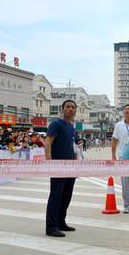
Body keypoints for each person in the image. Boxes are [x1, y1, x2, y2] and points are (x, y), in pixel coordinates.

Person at [45, 100, 78, 237]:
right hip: (58, 166)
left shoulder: (71, 127)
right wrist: (49, 160)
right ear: (62, 109)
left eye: (73, 107)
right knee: (56, 196)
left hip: (71, 166)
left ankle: (61, 222)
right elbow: (48, 141)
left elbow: (73, 146)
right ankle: (51, 227)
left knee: (66, 196)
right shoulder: (56, 124)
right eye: (68, 107)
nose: (70, 109)